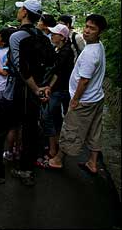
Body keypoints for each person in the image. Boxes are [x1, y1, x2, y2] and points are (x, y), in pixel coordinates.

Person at [0, 0, 52, 186]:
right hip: (34, 96)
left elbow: (19, 66)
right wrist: (43, 87)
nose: (18, 12)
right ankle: (26, 171)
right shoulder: (42, 36)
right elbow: (51, 63)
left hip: (16, 92)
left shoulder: (16, 36)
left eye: (21, 9)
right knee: (30, 132)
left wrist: (34, 88)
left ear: (25, 13)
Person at [48, 14, 108, 174]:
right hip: (96, 97)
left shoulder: (90, 53)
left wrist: (75, 100)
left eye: (92, 28)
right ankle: (92, 163)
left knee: (71, 129)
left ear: (99, 32)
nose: (87, 31)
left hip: (84, 100)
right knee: (95, 129)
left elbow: (84, 81)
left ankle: (58, 159)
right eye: (87, 26)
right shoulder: (98, 46)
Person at [39, 23, 74, 164]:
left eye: (55, 34)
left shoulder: (66, 52)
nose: (52, 35)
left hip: (59, 89)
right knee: (55, 117)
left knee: (47, 117)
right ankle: (56, 144)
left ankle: (53, 150)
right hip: (58, 89)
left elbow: (58, 73)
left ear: (63, 37)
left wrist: (49, 87)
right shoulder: (58, 49)